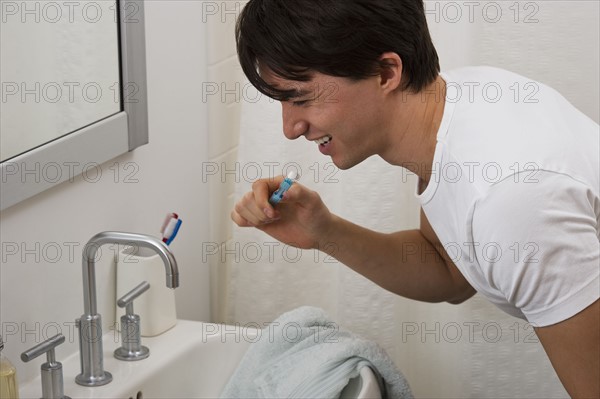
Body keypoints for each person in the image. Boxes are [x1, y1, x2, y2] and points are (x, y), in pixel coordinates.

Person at [230, 0, 600, 397]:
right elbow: (451, 271)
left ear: (387, 72)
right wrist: (324, 232)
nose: (290, 128)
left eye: (301, 98)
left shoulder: (510, 198)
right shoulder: (461, 103)